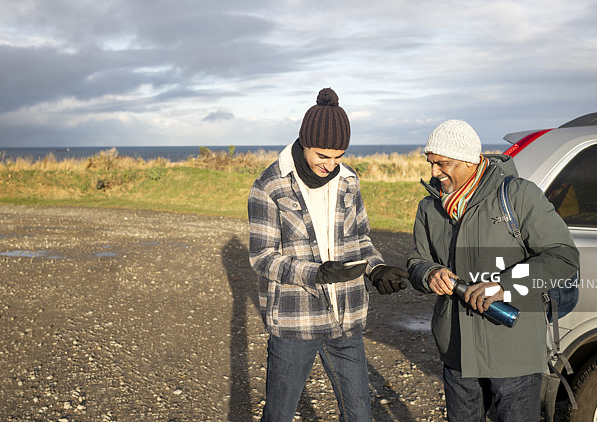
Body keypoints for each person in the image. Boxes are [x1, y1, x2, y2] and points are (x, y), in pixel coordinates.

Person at [248, 87, 409, 422]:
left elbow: (360, 239)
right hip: (296, 322)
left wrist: (375, 269)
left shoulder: (349, 181)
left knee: (360, 415)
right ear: (304, 142)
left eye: (339, 155)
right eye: (323, 155)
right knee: (278, 415)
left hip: (346, 318)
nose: (331, 165)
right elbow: (262, 258)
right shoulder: (269, 186)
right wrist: (315, 273)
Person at [407, 119, 579, 422]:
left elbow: (563, 258)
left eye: (442, 163)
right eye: (431, 163)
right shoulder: (429, 208)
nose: (434, 172)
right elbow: (417, 260)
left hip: (513, 350)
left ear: (469, 160)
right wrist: (428, 273)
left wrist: (504, 286)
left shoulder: (518, 196)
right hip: (456, 349)